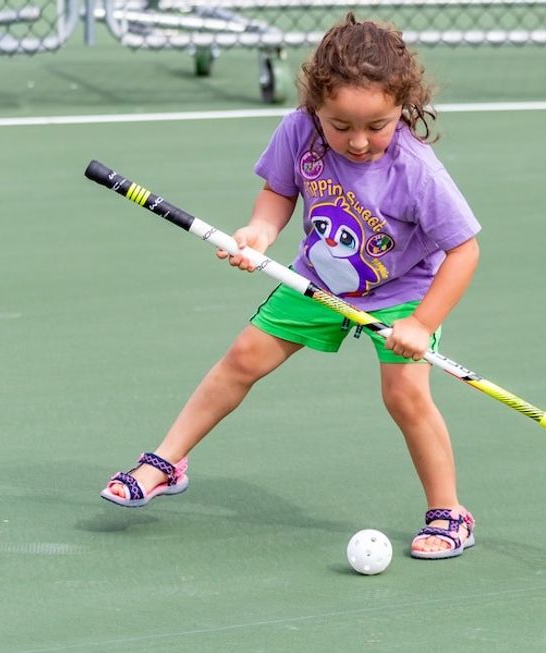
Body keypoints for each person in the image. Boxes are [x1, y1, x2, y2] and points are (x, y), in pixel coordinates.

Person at [101, 12, 482, 560]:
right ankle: (167, 462)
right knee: (242, 360)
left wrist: (422, 323)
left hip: (403, 292)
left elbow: (464, 250)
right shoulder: (298, 131)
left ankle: (449, 512)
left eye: (377, 126)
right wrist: (260, 231)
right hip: (318, 281)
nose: (358, 141)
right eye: (340, 126)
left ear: (403, 106)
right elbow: (280, 191)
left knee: (405, 395)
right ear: (314, 108)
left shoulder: (417, 171)